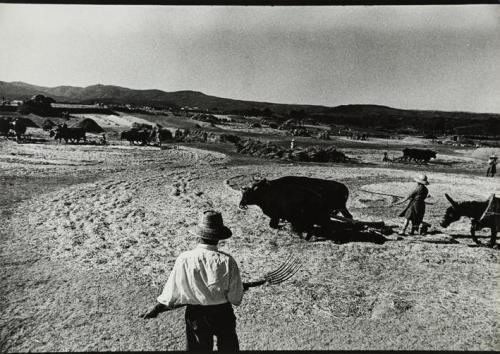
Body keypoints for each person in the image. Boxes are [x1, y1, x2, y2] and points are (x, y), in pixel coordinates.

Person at [140, 210, 244, 352]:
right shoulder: (227, 261)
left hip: (197, 314)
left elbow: (172, 290)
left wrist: (156, 308)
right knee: (228, 348)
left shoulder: (185, 258)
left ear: (199, 235)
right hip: (222, 312)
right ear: (219, 237)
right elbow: (235, 297)